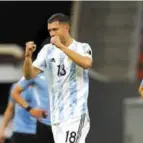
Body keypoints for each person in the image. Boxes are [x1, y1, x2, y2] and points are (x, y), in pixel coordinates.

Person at [23, 13, 92, 143]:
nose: (52, 33)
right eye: (50, 30)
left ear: (66, 28)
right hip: (56, 118)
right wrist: (27, 57)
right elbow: (29, 75)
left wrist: (61, 47)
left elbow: (86, 63)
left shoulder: (82, 47)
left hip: (76, 115)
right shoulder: (47, 50)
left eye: (55, 29)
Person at [11, 72, 54, 143]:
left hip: (65, 122)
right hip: (43, 124)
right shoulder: (36, 72)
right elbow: (14, 93)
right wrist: (30, 110)